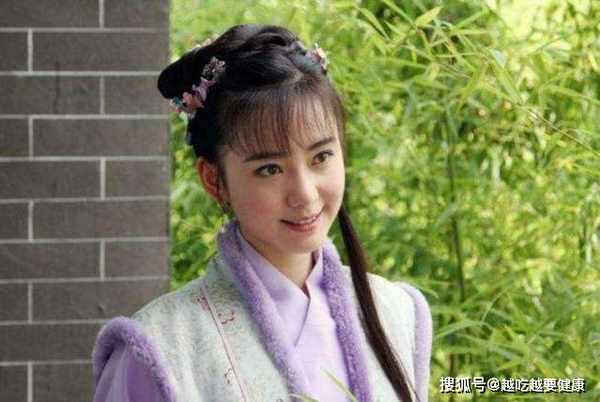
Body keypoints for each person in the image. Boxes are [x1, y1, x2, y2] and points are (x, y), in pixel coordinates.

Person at [91, 23, 432, 402]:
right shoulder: (159, 350)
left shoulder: (397, 314)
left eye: (321, 156)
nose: (305, 194)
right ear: (214, 179)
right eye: (270, 169)